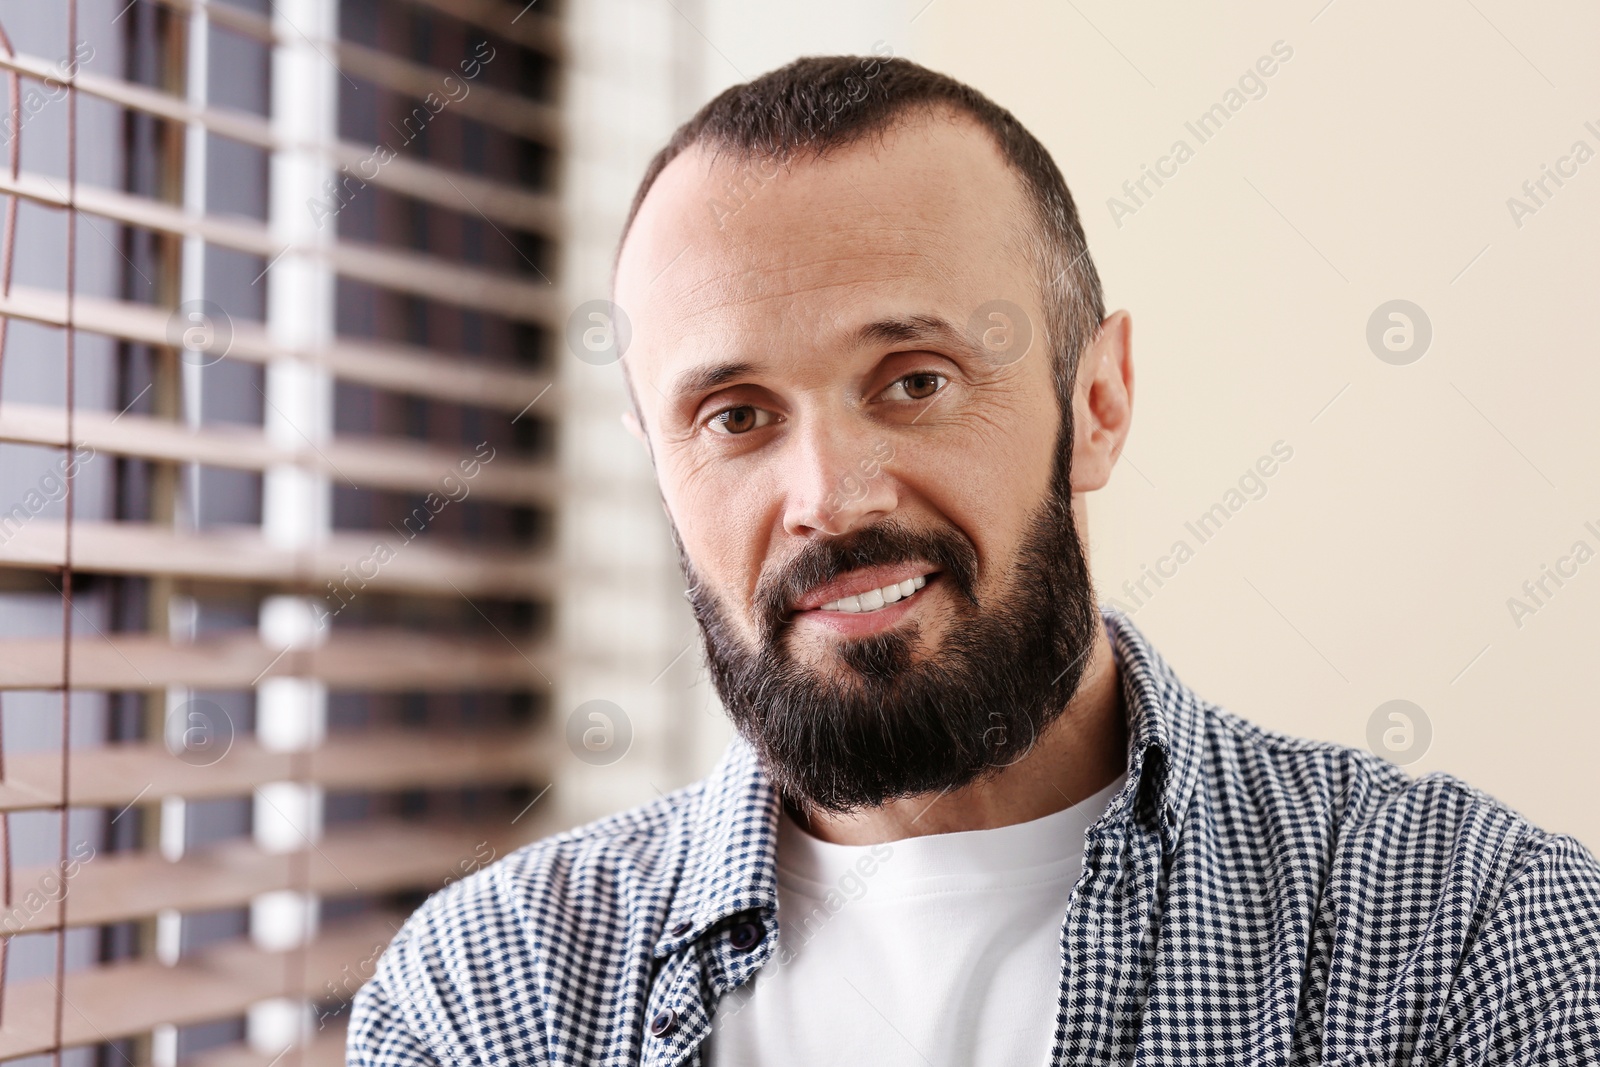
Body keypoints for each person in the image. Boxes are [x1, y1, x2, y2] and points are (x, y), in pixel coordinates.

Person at [348, 56, 1600, 1065]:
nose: (828, 499)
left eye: (916, 380)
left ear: (1098, 402)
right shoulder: (486, 999)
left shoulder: (1476, 937)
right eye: (734, 415)